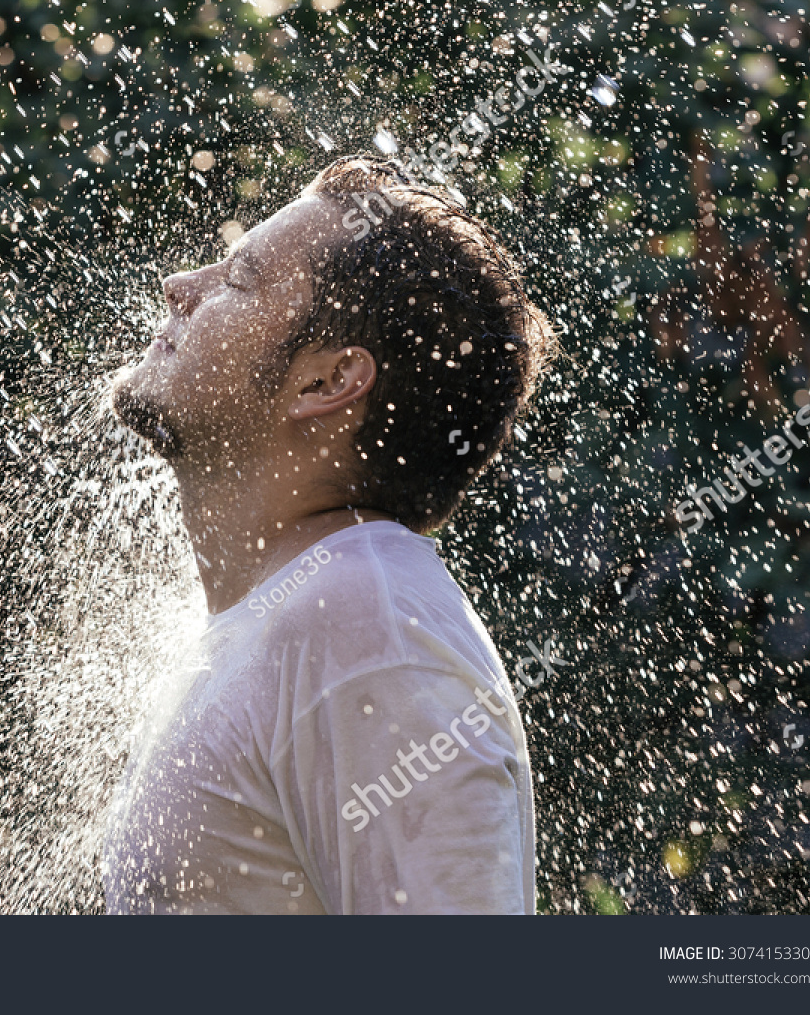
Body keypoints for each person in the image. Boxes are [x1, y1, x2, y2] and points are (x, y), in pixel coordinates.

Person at [100, 155, 557, 914]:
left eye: (239, 281)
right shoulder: (295, 616)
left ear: (326, 382)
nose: (181, 287)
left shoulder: (367, 623)